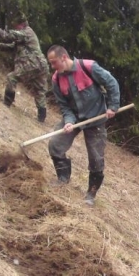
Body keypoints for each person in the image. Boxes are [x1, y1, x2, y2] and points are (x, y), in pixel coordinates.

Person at [46, 45, 120, 206]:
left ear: (64, 58)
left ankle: (90, 194)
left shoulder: (88, 67)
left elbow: (111, 83)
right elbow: (64, 105)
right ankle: (63, 178)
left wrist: (113, 106)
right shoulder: (56, 79)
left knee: (96, 159)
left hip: (96, 119)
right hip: (75, 118)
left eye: (54, 62)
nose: (52, 67)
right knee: (55, 145)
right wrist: (69, 121)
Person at [0, 13, 49, 122]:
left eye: (16, 25)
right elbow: (12, 47)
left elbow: (8, 36)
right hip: (42, 66)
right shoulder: (25, 35)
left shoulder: (26, 32)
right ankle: (41, 118)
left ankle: (7, 103)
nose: (15, 27)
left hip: (33, 64)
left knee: (12, 77)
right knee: (39, 91)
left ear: (21, 25)